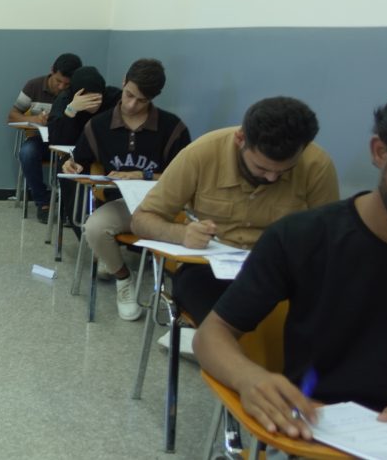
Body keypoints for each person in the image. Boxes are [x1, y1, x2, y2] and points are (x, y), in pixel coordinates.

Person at [193, 79, 387, 443]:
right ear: (380, 152)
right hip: (316, 433)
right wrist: (249, 378)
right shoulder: (302, 238)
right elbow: (212, 335)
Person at [131, 96, 339, 355]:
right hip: (209, 269)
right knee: (232, 330)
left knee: (318, 326)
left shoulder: (317, 165)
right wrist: (181, 233)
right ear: (240, 139)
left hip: (280, 270)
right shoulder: (201, 153)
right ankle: (222, 355)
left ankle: (211, 349)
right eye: (262, 167)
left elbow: (330, 240)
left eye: (284, 170)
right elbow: (141, 219)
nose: (271, 177)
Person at [60, 58, 190, 320]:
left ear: (153, 98)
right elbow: (79, 161)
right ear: (123, 82)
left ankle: (183, 308)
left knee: (194, 237)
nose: (131, 105)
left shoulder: (172, 128)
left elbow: (184, 178)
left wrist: (143, 175)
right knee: (94, 227)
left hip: (163, 208)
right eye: (129, 95)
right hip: (122, 206)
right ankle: (123, 278)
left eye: (141, 100)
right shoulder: (99, 125)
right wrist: (71, 164)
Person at [9, 52, 82, 222]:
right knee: (27, 152)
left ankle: (68, 206)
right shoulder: (34, 85)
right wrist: (34, 119)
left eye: (67, 84)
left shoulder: (77, 92)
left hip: (67, 143)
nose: (62, 87)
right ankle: (43, 202)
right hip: (42, 142)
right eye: (58, 81)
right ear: (52, 71)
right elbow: (12, 116)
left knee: (81, 157)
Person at [49, 66, 121, 227]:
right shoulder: (64, 100)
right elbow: (55, 139)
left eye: (96, 98)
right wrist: (71, 110)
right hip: (77, 155)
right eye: (86, 99)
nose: (92, 104)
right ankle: (79, 222)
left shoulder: (115, 98)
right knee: (68, 170)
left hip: (108, 155)